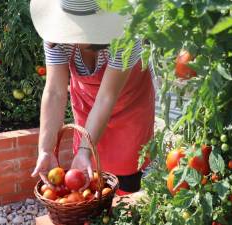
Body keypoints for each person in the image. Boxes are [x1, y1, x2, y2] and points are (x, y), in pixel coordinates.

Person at [30, 0, 155, 195]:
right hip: (86, 104)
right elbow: (55, 91)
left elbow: (107, 97)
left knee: (124, 174)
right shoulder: (56, 36)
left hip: (129, 106)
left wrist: (84, 151)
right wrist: (45, 149)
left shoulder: (127, 37)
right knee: (88, 176)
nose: (70, 34)